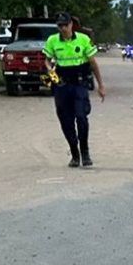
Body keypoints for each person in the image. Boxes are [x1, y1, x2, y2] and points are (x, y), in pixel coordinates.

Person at [43, 11, 106, 167]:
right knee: (65, 120)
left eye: (65, 25)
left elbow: (93, 64)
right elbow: (47, 61)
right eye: (60, 26)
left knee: (81, 116)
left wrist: (100, 85)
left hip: (79, 84)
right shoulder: (52, 41)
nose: (63, 28)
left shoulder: (83, 40)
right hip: (62, 85)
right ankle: (74, 153)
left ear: (71, 24)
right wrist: (50, 70)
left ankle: (85, 152)